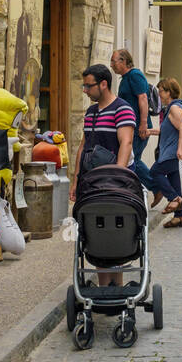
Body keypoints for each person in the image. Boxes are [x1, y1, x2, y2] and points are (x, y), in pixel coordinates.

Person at [71, 64, 136, 284]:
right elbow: (83, 146)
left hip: (115, 181)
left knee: (115, 232)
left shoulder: (122, 109)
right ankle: (102, 288)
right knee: (96, 232)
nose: (85, 90)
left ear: (104, 84)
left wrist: (118, 176)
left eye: (88, 86)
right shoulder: (91, 112)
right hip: (92, 183)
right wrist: (76, 179)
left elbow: (125, 142)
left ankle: (116, 288)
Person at [145, 78, 182, 228]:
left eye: (161, 91)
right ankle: (180, 216)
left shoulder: (174, 108)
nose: (159, 95)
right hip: (175, 152)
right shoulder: (172, 108)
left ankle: (174, 199)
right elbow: (167, 130)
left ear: (169, 92)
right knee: (174, 181)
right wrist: (150, 131)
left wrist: (180, 149)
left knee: (154, 172)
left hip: (175, 153)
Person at [111, 48, 153, 189]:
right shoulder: (125, 78)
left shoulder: (135, 75)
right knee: (132, 159)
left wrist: (143, 124)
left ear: (123, 61)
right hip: (130, 126)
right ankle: (154, 188)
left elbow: (143, 98)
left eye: (113, 61)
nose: (111, 65)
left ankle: (157, 187)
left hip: (137, 127)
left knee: (131, 159)